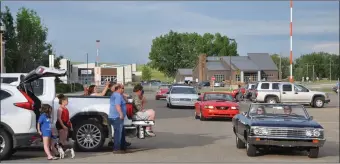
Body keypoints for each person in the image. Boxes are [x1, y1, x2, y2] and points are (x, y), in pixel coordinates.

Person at [109, 84, 127, 154]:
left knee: (121, 132)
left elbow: (126, 100)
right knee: (118, 133)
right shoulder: (118, 95)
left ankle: (123, 147)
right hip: (117, 117)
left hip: (114, 116)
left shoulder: (115, 94)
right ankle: (116, 149)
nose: (123, 90)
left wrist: (123, 95)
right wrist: (121, 113)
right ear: (118, 88)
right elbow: (117, 105)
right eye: (122, 88)